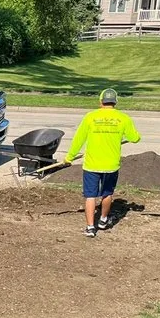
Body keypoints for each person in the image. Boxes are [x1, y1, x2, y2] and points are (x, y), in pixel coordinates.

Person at [64, 88, 141, 238]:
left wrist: (70, 157)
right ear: (115, 102)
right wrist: (137, 137)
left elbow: (78, 139)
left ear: (100, 101)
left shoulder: (90, 117)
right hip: (111, 165)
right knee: (107, 193)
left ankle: (90, 228)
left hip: (92, 164)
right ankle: (103, 220)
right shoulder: (123, 118)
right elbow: (134, 138)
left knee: (90, 196)